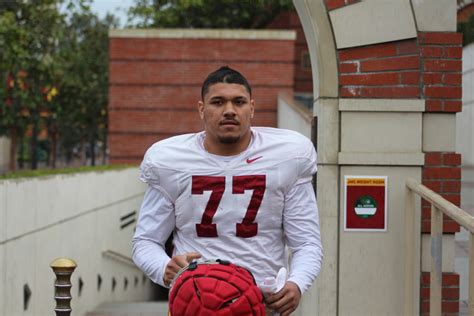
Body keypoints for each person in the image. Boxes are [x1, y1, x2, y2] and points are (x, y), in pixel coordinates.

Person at [132, 66, 323, 315]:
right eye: (218, 102)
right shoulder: (171, 160)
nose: (230, 110)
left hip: (261, 305)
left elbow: (307, 242)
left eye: (239, 102)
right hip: (195, 306)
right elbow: (145, 241)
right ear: (202, 108)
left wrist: (296, 283)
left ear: (252, 108)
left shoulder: (287, 155)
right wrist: (164, 267)